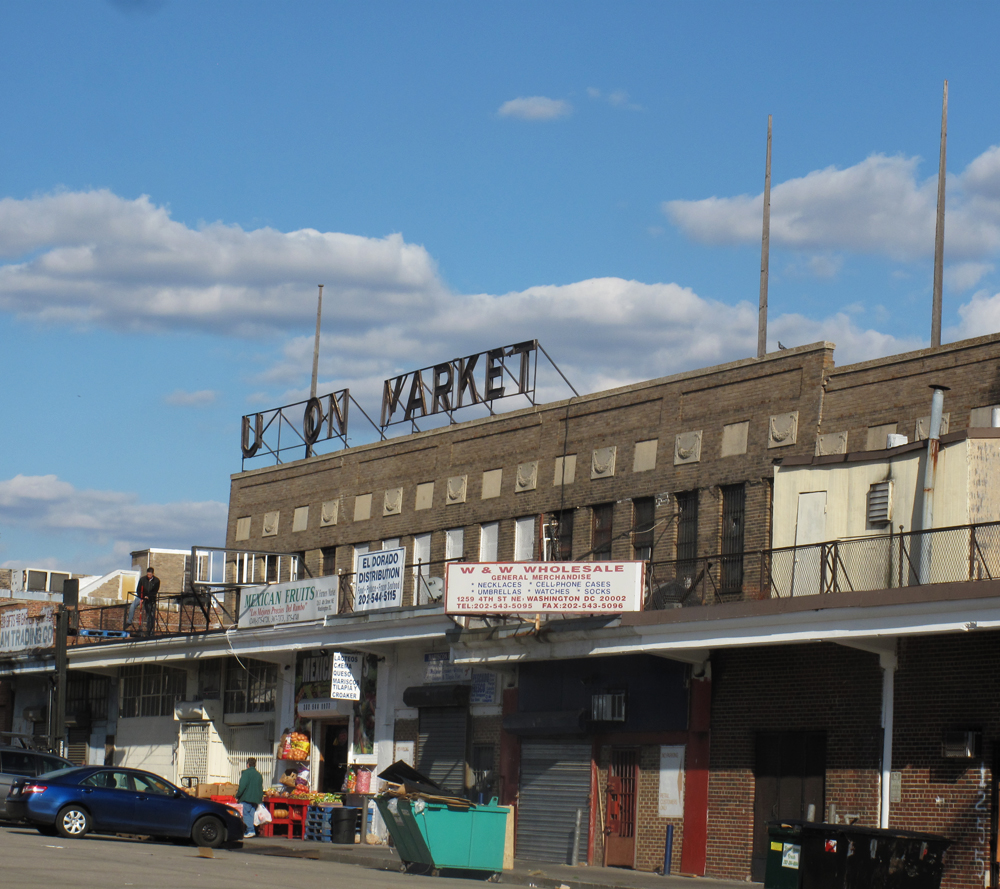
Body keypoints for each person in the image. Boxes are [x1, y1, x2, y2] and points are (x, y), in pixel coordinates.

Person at [236, 757, 264, 839]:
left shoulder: (246, 773)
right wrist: (260, 799)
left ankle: (250, 830)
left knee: (246, 815)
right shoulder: (259, 775)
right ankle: (251, 830)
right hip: (256, 799)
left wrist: (238, 795)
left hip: (246, 798)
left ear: (248, 764)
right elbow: (260, 787)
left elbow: (242, 786)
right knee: (251, 814)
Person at [132, 567, 160, 636]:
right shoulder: (142, 579)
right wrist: (142, 597)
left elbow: (155, 591)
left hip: (151, 600)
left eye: (150, 575)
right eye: (148, 575)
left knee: (150, 615)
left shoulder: (157, 581)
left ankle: (150, 630)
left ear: (152, 574)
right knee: (133, 606)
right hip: (142, 597)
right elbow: (138, 589)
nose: (149, 576)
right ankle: (130, 621)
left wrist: (149, 596)